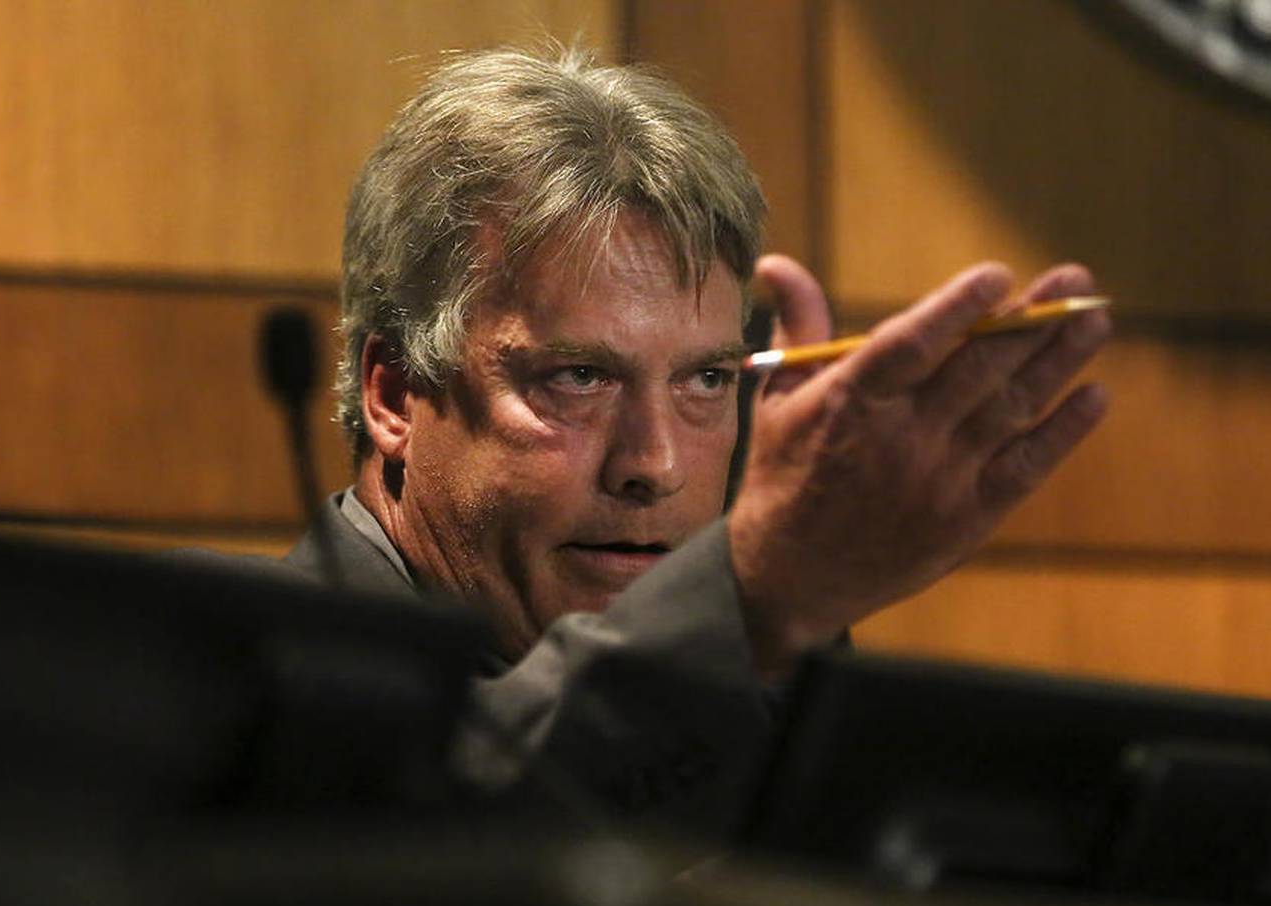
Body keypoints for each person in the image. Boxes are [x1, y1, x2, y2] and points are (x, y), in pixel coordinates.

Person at [286, 45, 1111, 827]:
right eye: (579, 378)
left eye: (705, 380)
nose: (656, 463)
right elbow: (442, 842)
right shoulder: (222, 676)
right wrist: (755, 597)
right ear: (394, 394)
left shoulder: (765, 683)